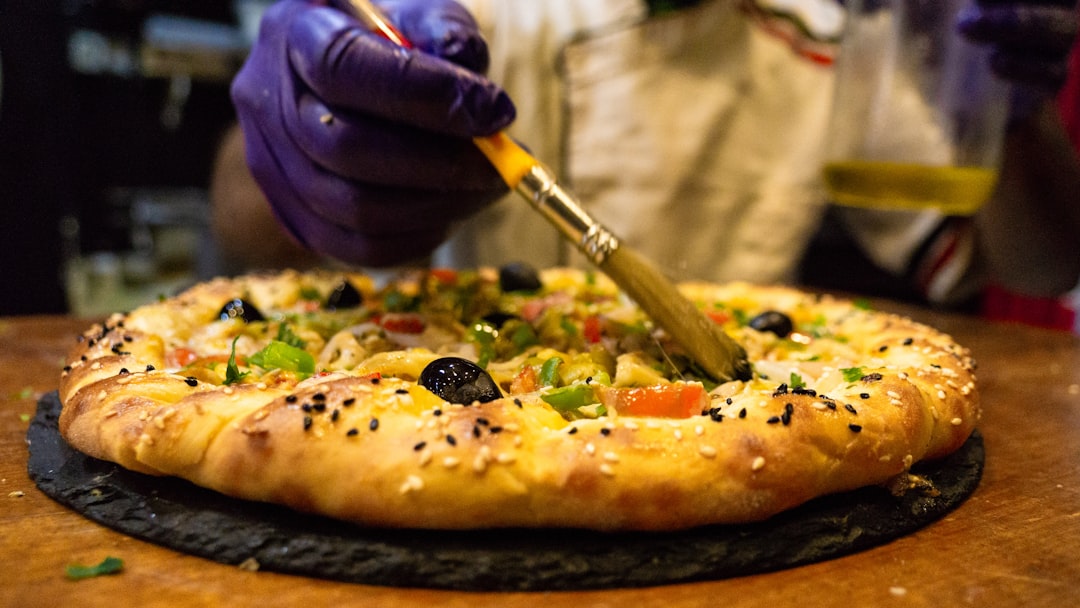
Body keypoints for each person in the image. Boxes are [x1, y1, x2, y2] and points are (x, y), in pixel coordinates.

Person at [212, 0, 1080, 313]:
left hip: (730, 425)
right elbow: (240, 224)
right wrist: (295, 145)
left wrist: (1002, 107)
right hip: (430, 385)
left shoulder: (833, 31)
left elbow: (1040, 266)